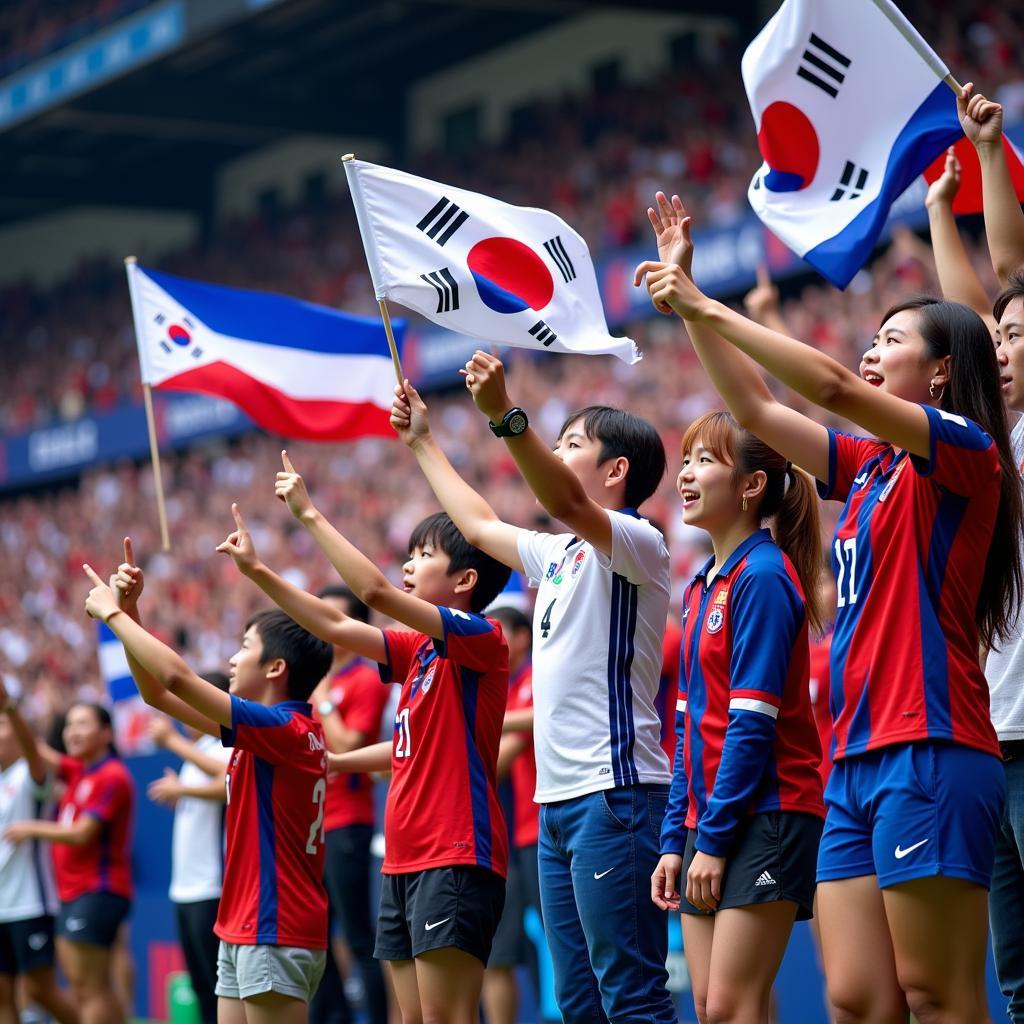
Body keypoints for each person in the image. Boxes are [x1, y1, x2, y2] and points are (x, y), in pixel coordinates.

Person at [636, 191, 1022, 1024]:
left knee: (938, 997)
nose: (872, 351)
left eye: (892, 339)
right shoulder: (874, 467)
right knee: (855, 1000)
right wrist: (691, 299)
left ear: (945, 367)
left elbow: (835, 389)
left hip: (931, 742)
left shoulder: (963, 452)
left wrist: (708, 307)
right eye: (872, 338)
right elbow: (761, 413)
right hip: (853, 763)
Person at [390, 373, 677, 1024]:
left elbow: (566, 499)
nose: (557, 449)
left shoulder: (637, 542)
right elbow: (478, 523)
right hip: (555, 807)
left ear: (616, 469)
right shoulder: (559, 555)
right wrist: (422, 442)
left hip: (615, 795)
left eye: (572, 442)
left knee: (631, 995)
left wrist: (505, 417)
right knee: (577, 1001)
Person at [215, 461, 511, 1024]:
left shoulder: (482, 638)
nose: (408, 563)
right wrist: (257, 571)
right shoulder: (419, 652)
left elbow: (369, 591)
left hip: (454, 853)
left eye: (424, 555)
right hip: (401, 860)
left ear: (465, 581)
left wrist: (307, 513)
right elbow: (333, 628)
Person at [84, 539, 334, 1024]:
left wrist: (113, 616)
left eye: (244, 648)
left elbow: (175, 679)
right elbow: (155, 693)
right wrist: (131, 615)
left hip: (274, 925)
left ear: (277, 668)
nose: (232, 661)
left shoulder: (281, 728)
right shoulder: (270, 731)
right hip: (246, 924)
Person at [651, 410, 826, 1024]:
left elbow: (751, 726)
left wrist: (714, 841)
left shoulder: (766, 578)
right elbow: (685, 729)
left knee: (731, 1007)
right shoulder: (702, 587)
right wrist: (677, 838)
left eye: (706, 460)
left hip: (768, 813)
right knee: (710, 1008)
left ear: (751, 486)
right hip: (710, 821)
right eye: (688, 458)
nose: (687, 474)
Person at [3, 696, 133, 1024]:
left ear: (106, 733)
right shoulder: (80, 771)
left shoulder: (111, 776)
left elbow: (81, 834)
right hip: (75, 892)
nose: (72, 732)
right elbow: (35, 749)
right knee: (84, 987)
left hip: (97, 890)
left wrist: (32, 827)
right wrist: (10, 710)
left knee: (91, 988)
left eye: (83, 724)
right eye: (70, 725)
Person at [308, 585, 390, 1024]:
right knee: (315, 937)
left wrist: (322, 698)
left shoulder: (363, 678)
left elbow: (348, 744)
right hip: (311, 827)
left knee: (359, 937)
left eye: (332, 615)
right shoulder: (316, 677)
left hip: (349, 824)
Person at [146, 673, 233, 1024]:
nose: (183, 714)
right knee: (200, 984)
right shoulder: (196, 753)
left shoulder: (224, 744)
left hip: (213, 886)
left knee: (218, 986)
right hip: (186, 888)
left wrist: (173, 746)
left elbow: (229, 785)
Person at [0, 681, 78, 1024]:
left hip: (31, 902)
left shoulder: (31, 773)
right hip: (2, 906)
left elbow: (33, 751)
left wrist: (10, 708)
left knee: (39, 990)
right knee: (3, 994)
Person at [483, 605, 539, 1024]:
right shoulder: (508, 683)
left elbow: (498, 761)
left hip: (544, 831)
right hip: (516, 835)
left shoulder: (537, 677)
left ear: (522, 637)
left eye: (499, 633)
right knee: (499, 950)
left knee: (562, 947)